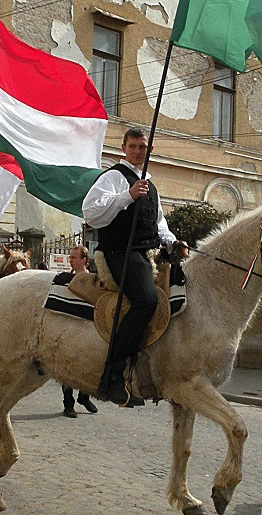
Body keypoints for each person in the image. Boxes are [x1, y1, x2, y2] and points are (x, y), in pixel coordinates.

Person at [82, 127, 186, 407]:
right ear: (124, 148)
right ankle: (110, 376)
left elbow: (159, 223)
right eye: (133, 146)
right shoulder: (115, 176)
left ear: (149, 150)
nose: (137, 151)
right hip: (120, 253)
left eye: (142, 146)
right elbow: (91, 211)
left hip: (145, 253)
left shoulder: (151, 186)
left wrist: (173, 242)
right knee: (146, 302)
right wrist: (126, 195)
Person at [60, 245, 99, 418]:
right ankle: (68, 404)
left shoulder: (95, 280)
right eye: (70, 257)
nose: (71, 260)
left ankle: (84, 396)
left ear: (84, 260)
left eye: (74, 257)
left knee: (89, 364)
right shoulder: (66, 280)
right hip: (70, 328)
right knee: (66, 365)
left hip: (89, 327)